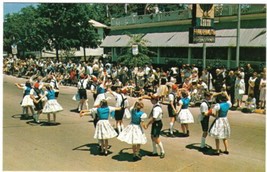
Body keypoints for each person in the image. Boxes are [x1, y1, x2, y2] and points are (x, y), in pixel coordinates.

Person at [209, 91, 232, 155]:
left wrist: (212, 114)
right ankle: (226, 149)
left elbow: (213, 112)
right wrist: (226, 94)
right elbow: (229, 100)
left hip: (219, 120)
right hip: (225, 119)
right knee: (224, 137)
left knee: (217, 136)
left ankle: (217, 150)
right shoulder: (228, 104)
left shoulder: (218, 105)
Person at [143, 94, 165, 158]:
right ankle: (154, 151)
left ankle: (162, 151)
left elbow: (154, 118)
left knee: (156, 138)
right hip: (156, 123)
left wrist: (147, 124)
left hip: (157, 123)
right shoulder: (156, 105)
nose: (151, 101)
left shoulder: (157, 108)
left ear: (155, 100)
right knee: (152, 136)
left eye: (152, 99)